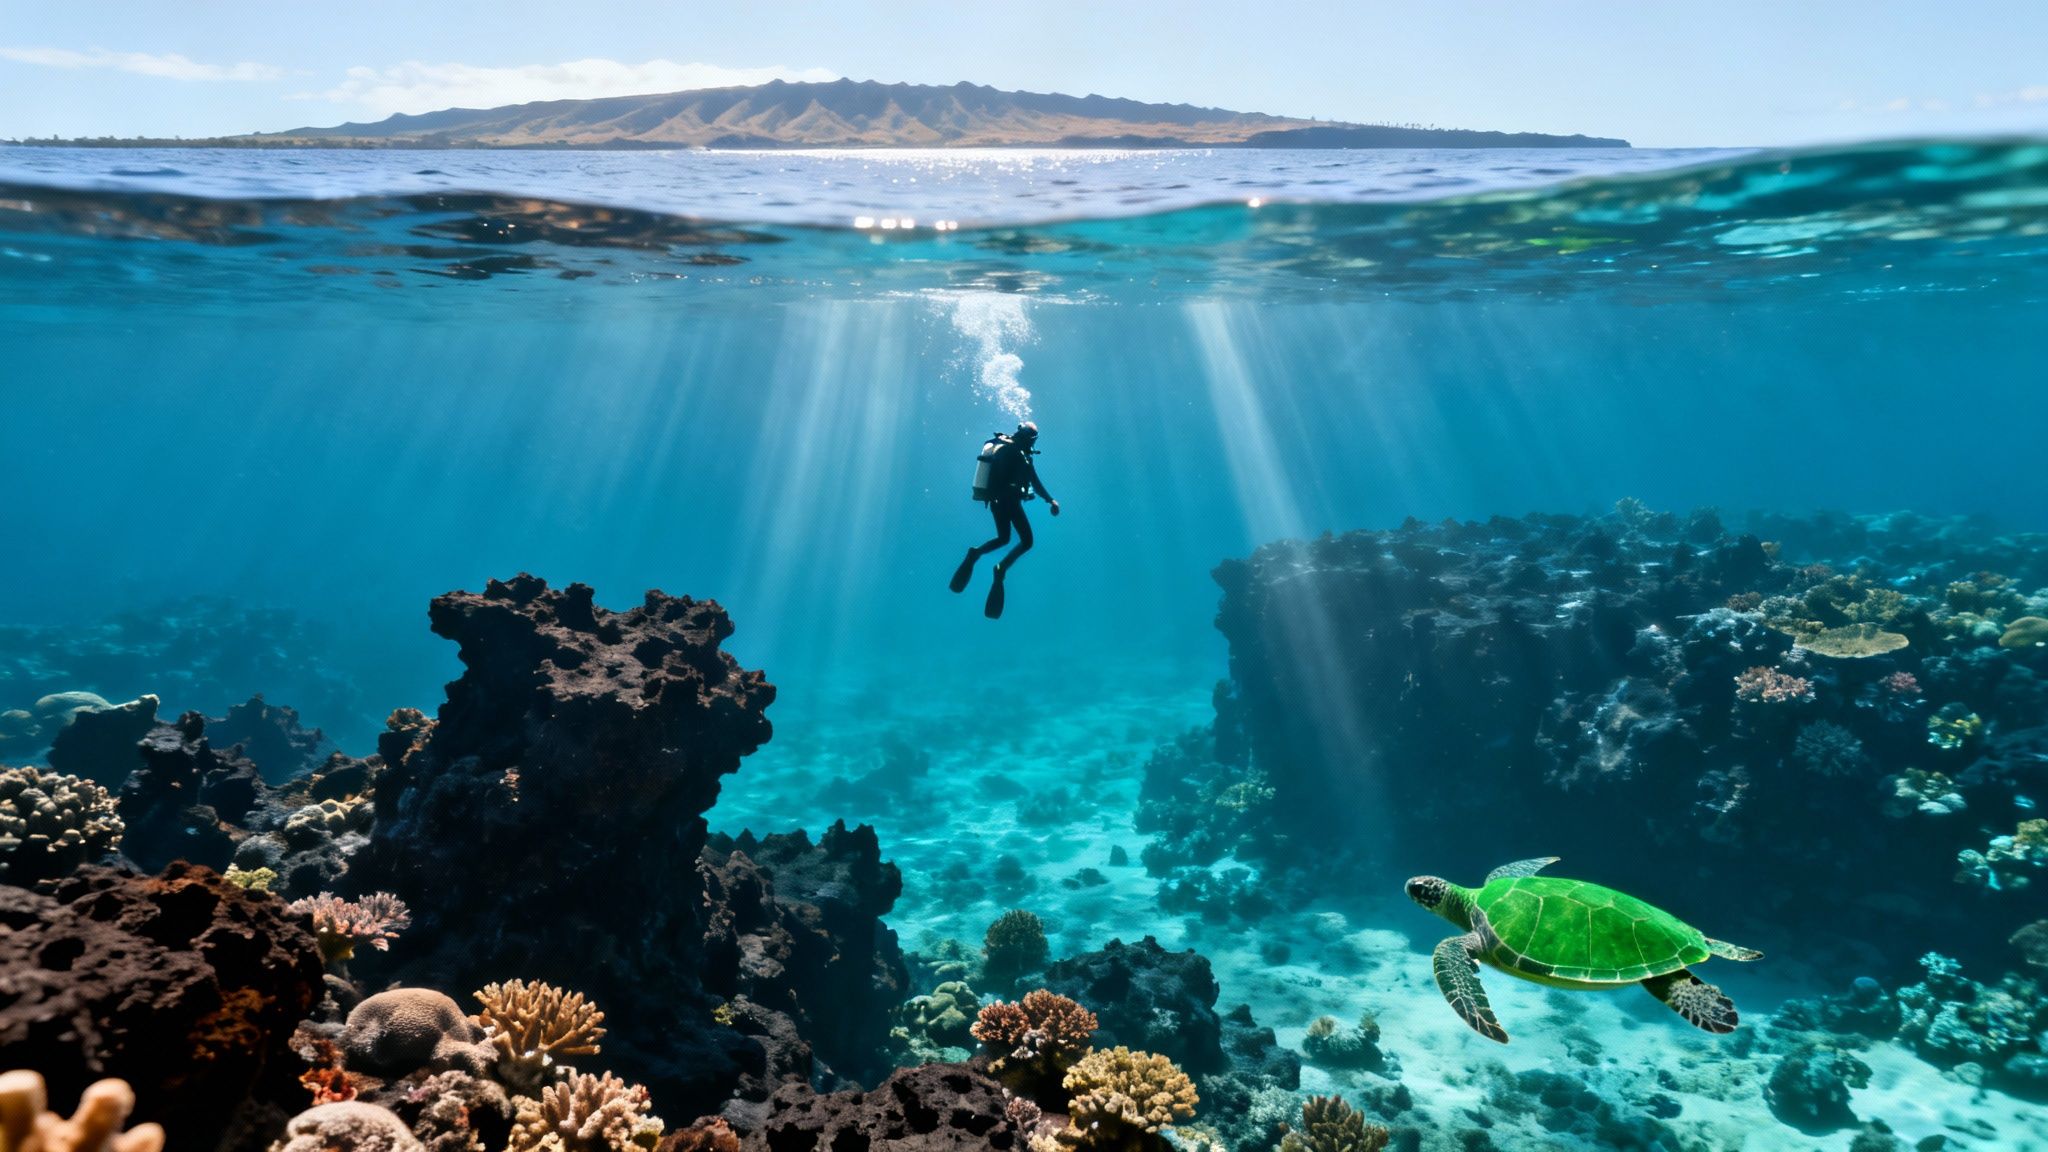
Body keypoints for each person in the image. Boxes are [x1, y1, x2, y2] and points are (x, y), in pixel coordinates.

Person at [950, 420, 1059, 618]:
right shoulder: (1019, 454)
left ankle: (975, 553)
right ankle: (1000, 570)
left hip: (996, 501)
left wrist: (1028, 494)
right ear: (1031, 438)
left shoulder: (1007, 448)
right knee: (1027, 542)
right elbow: (1033, 480)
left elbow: (1015, 479)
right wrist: (1050, 500)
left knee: (1004, 538)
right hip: (1008, 502)